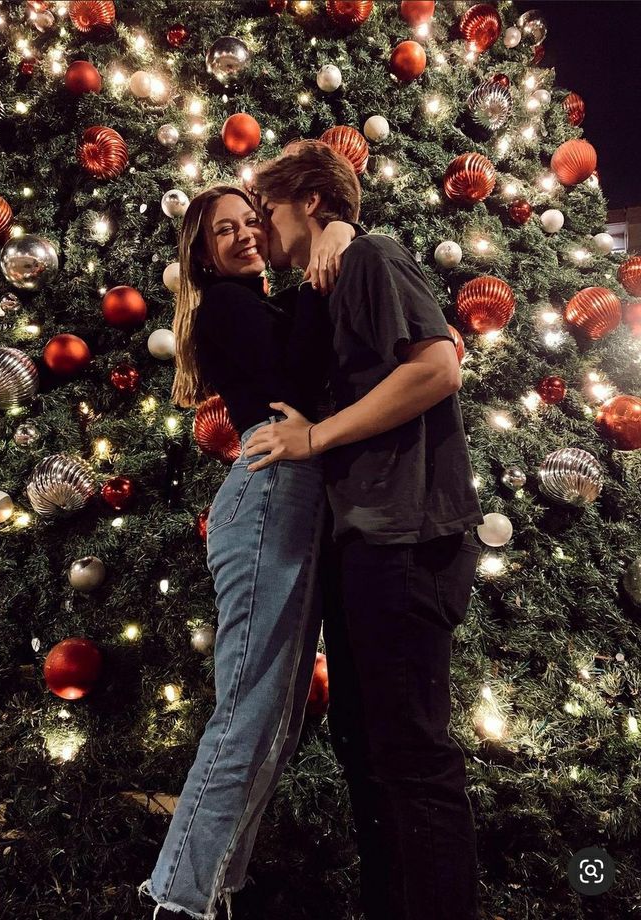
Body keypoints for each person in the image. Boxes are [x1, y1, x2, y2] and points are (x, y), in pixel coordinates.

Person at [243, 140, 485, 920]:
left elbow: (439, 366)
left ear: (310, 201)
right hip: (370, 540)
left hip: (407, 539)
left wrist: (314, 438)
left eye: (269, 210)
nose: (261, 229)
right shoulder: (333, 272)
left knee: (409, 754)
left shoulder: (373, 255)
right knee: (366, 745)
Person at [137, 182, 359, 920]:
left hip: (286, 498)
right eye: (222, 231)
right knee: (249, 710)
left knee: (276, 716)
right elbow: (295, 384)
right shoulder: (228, 307)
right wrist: (327, 262)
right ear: (202, 253)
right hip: (268, 497)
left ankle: (219, 886)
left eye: (249, 223)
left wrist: (331, 241)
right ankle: (177, 897)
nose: (243, 236)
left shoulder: (263, 303)